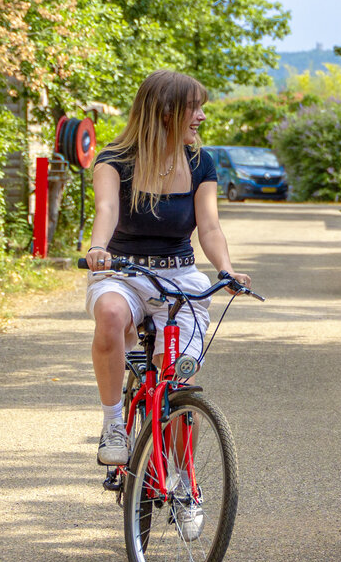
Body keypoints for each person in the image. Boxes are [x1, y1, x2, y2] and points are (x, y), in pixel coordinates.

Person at [84, 69, 251, 474]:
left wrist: (226, 271)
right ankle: (113, 427)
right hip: (122, 272)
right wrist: (98, 248)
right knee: (109, 314)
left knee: (177, 382)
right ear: (164, 112)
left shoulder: (200, 163)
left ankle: (184, 485)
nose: (201, 117)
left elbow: (209, 227)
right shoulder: (115, 161)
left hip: (179, 277)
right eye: (193, 108)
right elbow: (106, 209)